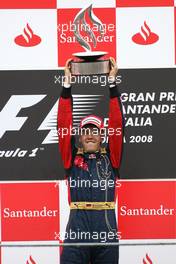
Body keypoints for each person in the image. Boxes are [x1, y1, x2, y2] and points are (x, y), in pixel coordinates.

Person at [57, 58, 124, 264]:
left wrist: (112, 84)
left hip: (106, 229)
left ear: (102, 135)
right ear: (80, 137)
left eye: (94, 131)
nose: (90, 135)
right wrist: (67, 86)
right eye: (85, 131)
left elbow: (117, 123)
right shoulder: (71, 158)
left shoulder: (111, 158)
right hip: (77, 231)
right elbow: (63, 124)